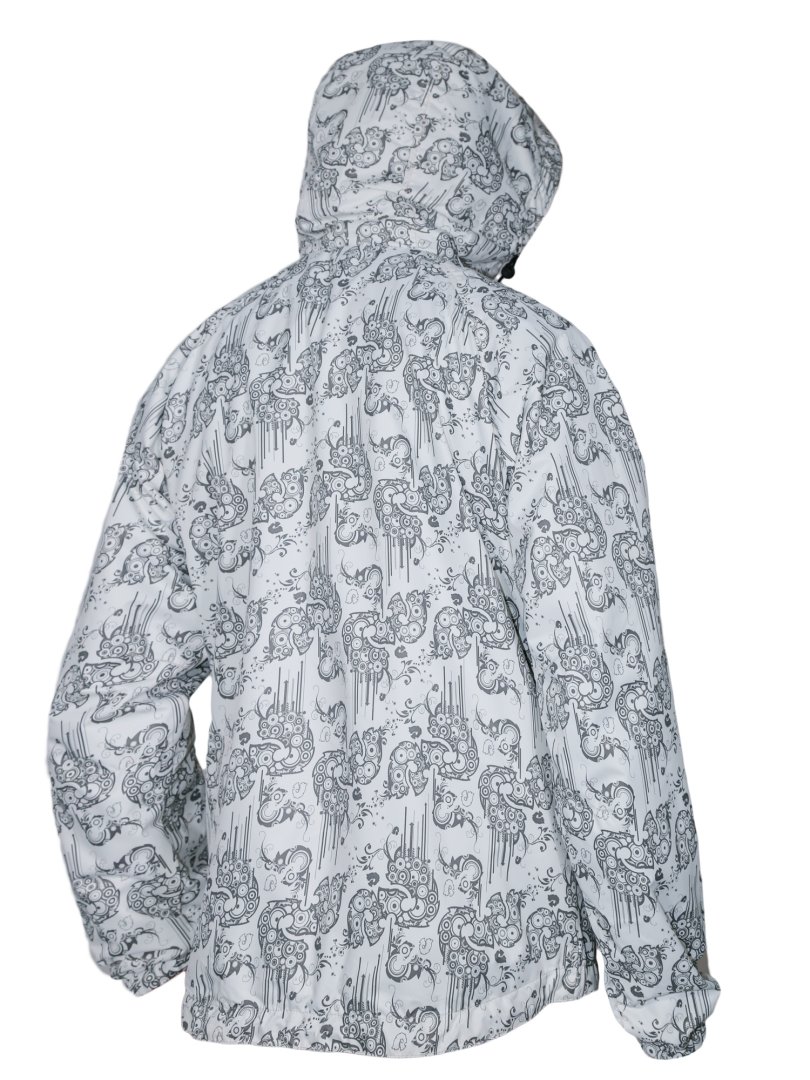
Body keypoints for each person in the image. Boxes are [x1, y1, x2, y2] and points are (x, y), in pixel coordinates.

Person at [45, 38, 721, 1058]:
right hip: (507, 1004)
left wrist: (165, 933)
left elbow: (103, 707)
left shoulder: (204, 372)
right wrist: (660, 988)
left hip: (258, 988)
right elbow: (604, 696)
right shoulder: (529, 362)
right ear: (485, 179)